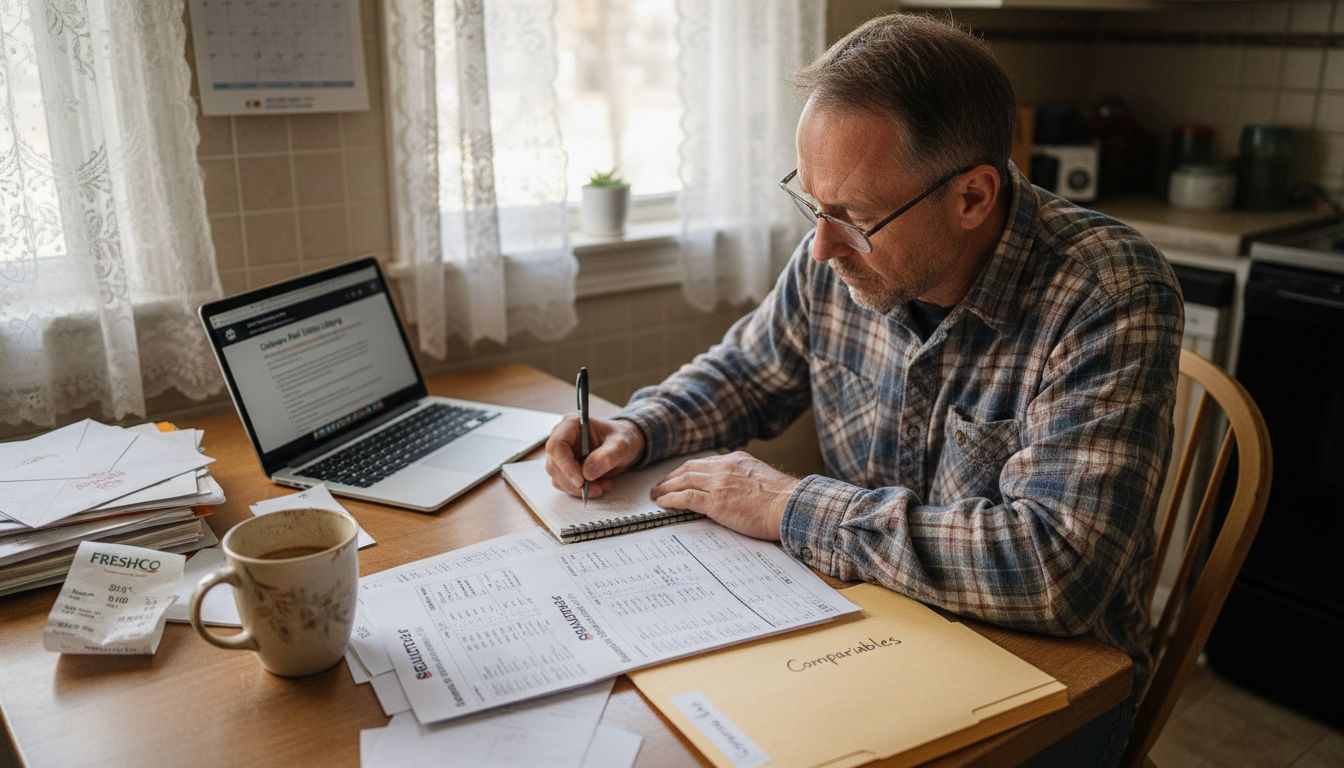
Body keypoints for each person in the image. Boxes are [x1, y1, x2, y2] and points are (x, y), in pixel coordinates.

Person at [544, 13, 1181, 767]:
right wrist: (640, 427)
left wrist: (789, 505)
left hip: (1054, 681)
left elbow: (1056, 569)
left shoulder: (1107, 293)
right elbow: (747, 371)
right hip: (871, 627)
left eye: (855, 217)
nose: (822, 246)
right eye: (813, 205)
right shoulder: (842, 251)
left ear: (973, 198)